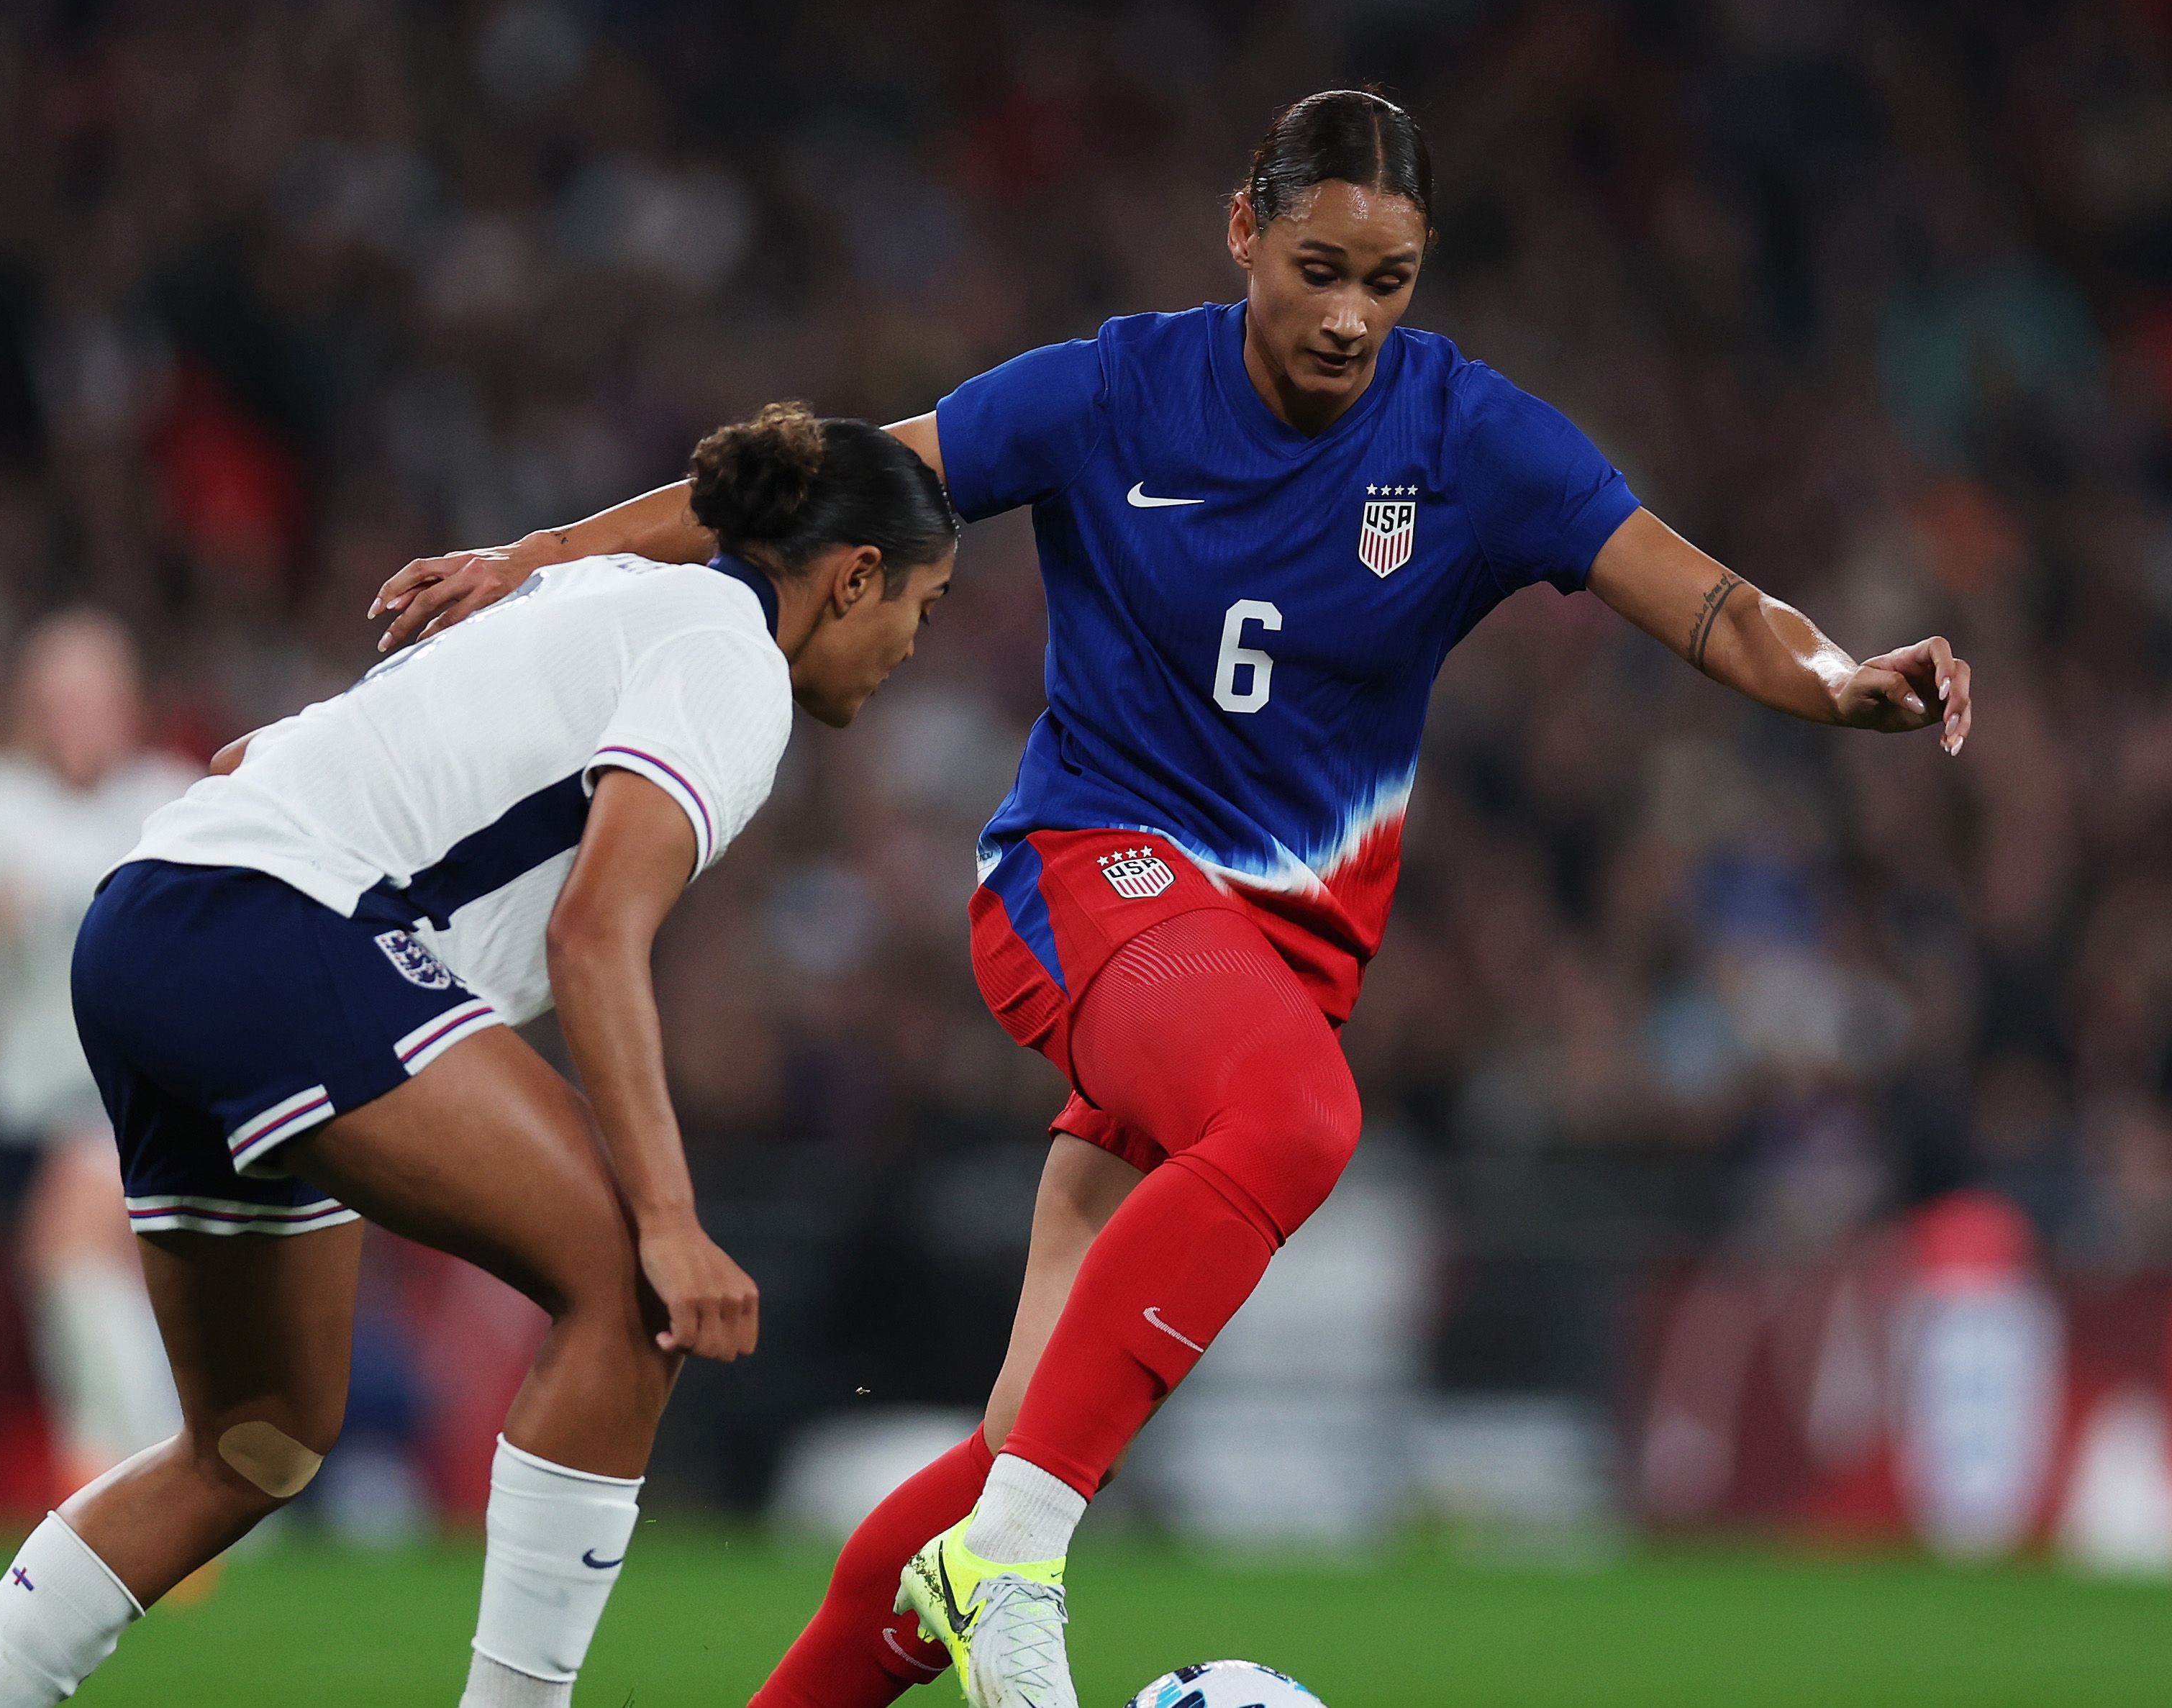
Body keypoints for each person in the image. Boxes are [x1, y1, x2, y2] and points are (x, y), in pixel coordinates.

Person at [368, 91, 1977, 1708]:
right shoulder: (1115, 391)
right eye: (1319, 264)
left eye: (1391, 279)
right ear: (1243, 231)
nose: (1351, 313)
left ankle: (936, 1588)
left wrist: (1844, 680)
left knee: (1017, 1446)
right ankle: (1017, 1550)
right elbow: (838, 484)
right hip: (1090, 879)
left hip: (1260, 965)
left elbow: (1702, 593)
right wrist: (549, 552)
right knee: (1294, 1127)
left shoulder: (1470, 439)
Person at [0, 401, 960, 1708]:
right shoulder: (731, 659)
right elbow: (593, 937)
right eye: (924, 600)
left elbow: (252, 755)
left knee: (257, 1444)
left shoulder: (597, 592)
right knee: (631, 1291)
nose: (917, 640)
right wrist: (674, 1219)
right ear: (854, 575)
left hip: (153, 916)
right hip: (272, 930)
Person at [0, 612, 196, 1493]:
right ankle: (133, 1468)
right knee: (71, 1276)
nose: (75, 721)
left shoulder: (169, 797)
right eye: (57, 702)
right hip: (21, 1101)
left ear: (128, 706)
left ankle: (145, 1469)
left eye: (93, 700)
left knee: (74, 1236)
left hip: (146, 1094)